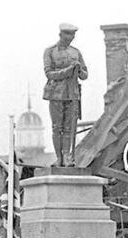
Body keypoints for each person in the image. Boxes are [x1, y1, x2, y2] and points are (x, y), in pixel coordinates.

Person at [43, 23, 88, 167]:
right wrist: (67, 71)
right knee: (57, 127)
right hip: (56, 93)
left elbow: (85, 75)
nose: (71, 39)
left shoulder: (76, 52)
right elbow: (49, 73)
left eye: (73, 36)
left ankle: (67, 156)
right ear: (61, 35)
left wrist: (79, 69)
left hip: (72, 93)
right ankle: (59, 157)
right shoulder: (50, 51)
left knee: (70, 128)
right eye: (68, 35)